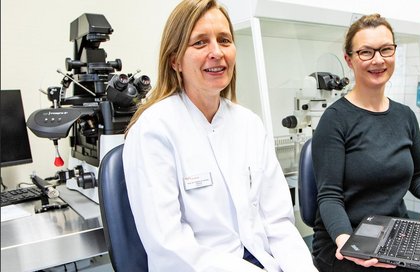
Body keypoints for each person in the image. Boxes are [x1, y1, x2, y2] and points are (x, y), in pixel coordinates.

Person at [122, 0, 318, 271]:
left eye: (224, 40)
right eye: (200, 43)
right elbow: (170, 246)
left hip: (262, 261)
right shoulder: (153, 130)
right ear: (175, 60)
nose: (217, 52)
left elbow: (278, 223)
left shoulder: (249, 124)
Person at [310, 14, 420, 272]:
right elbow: (329, 196)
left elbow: (419, 175)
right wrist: (346, 242)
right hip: (345, 239)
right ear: (349, 59)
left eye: (385, 49)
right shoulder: (335, 120)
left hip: (395, 235)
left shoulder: (405, 116)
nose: (378, 60)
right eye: (366, 52)